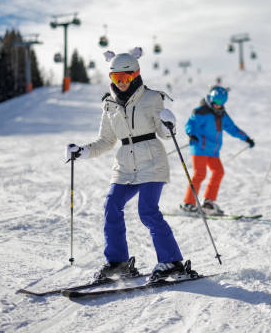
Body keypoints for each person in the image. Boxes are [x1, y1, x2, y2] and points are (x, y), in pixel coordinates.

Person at [65, 47, 187, 282]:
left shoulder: (152, 98)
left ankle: (172, 261)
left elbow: (163, 132)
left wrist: (168, 124)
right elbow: (106, 141)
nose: (121, 83)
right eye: (116, 78)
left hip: (152, 161)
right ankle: (118, 262)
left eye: (126, 77)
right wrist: (84, 151)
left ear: (136, 75)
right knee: (111, 205)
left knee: (147, 211)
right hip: (124, 165)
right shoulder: (109, 104)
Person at [181, 85, 255, 215]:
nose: (218, 105)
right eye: (216, 102)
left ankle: (208, 202)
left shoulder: (222, 115)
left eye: (222, 103)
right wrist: (191, 133)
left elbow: (232, 128)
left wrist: (246, 138)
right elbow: (190, 124)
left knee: (218, 172)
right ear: (211, 99)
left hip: (213, 151)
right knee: (200, 174)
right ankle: (189, 203)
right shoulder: (201, 112)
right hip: (200, 148)